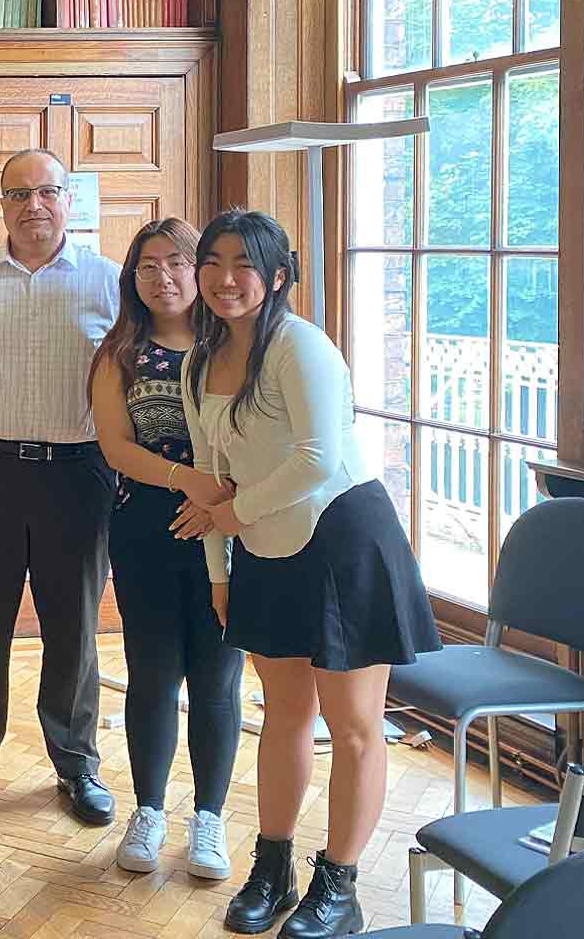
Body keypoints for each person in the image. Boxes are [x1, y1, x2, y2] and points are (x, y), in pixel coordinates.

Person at [174, 210, 438, 938]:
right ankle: (274, 864)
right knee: (284, 713)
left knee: (353, 726)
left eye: (245, 265)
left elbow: (319, 460)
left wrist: (235, 517)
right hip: (261, 546)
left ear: (279, 276)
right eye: (213, 262)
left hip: (343, 541)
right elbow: (206, 477)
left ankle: (340, 883)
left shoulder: (301, 347)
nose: (226, 280)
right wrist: (219, 571)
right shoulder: (198, 363)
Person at [0, 148, 121, 830]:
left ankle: (76, 764)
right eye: (18, 195)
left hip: (79, 476)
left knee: (74, 631)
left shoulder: (110, 283)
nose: (33, 206)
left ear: (69, 200)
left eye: (47, 192)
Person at [87, 218, 243, 881]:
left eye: (177, 263)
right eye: (148, 266)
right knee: (152, 672)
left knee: (217, 677)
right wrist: (187, 482)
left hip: (232, 524)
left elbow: (271, 435)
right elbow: (115, 445)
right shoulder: (120, 351)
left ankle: (209, 817)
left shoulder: (237, 346)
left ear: (200, 269)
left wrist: (220, 503)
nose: (164, 278)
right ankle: (149, 810)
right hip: (147, 523)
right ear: (133, 278)